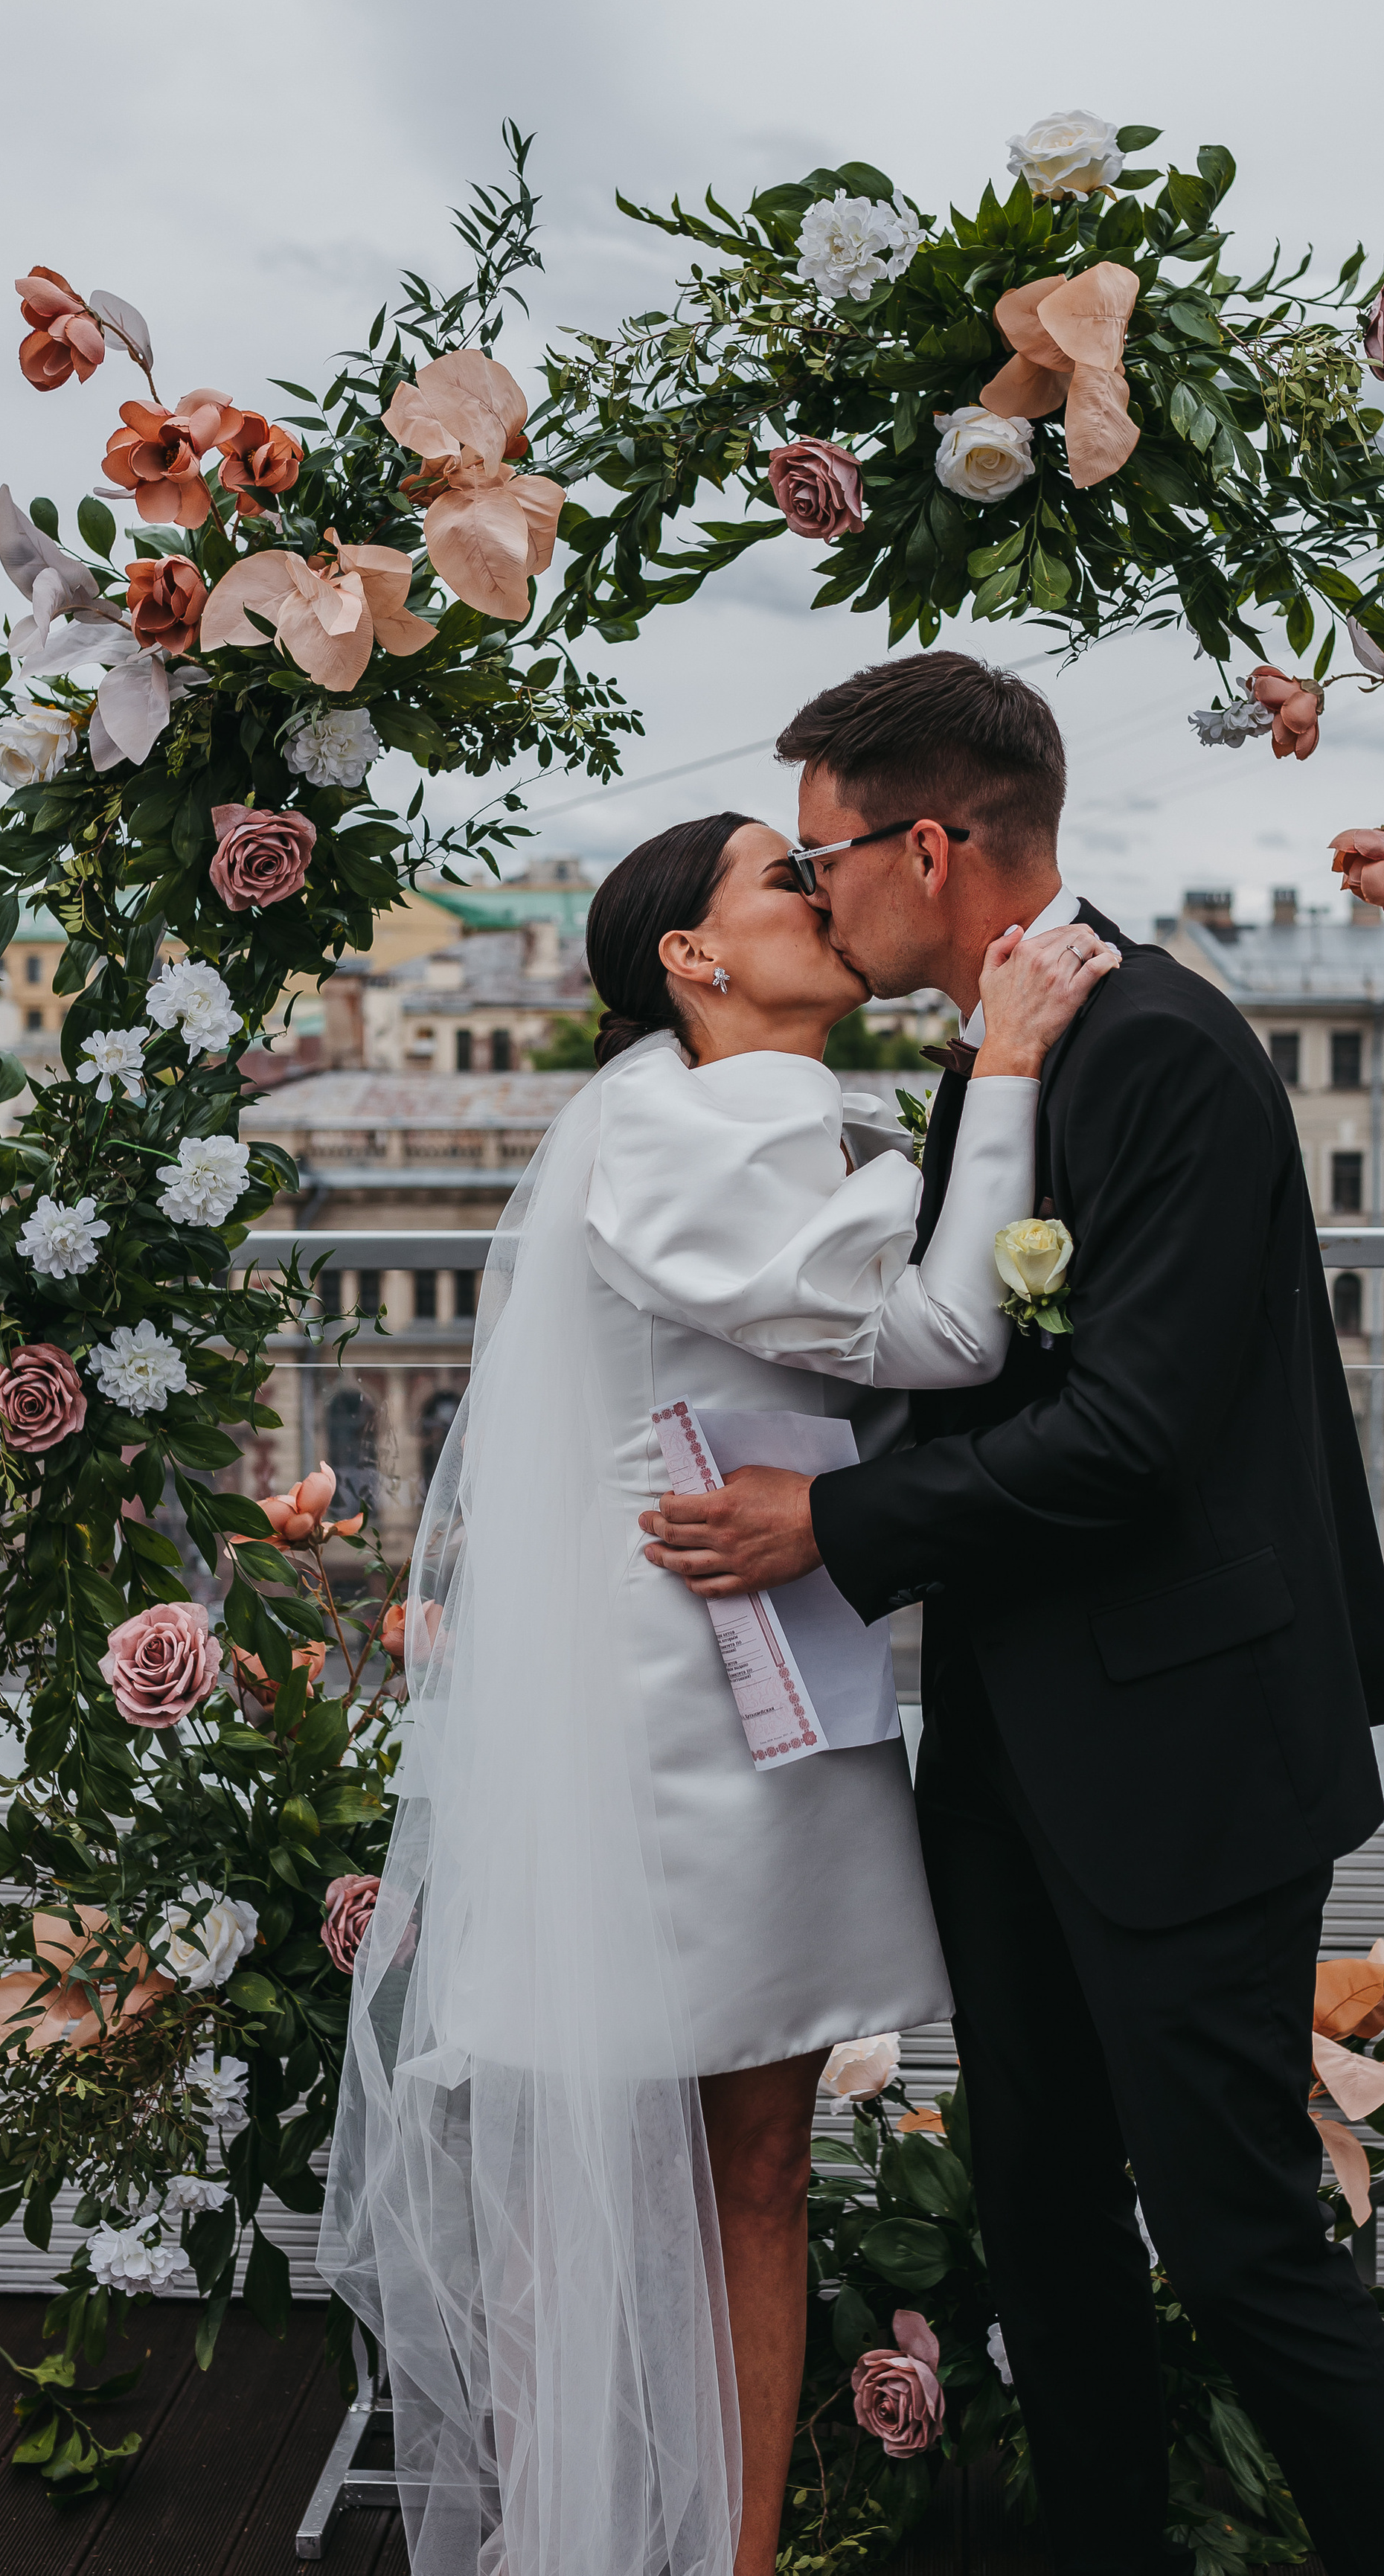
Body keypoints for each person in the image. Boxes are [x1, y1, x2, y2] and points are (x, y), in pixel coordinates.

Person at [641, 654, 1384, 2576]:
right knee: (1045, 2222)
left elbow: (1129, 1440)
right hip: (1016, 1755)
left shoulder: (1162, 1044)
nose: (820, 897)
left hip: (1183, 1756)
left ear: (931, 846)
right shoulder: (1006, 1060)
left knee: (1244, 2239)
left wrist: (828, 1527)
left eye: (827, 854)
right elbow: (964, 1358)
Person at [318, 808, 1113, 2576]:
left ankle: (732, 2553)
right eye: (782, 876)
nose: (821, 894)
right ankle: (575, 2542)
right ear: (687, 956)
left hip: (770, 1661)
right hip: (661, 1695)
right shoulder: (671, 1118)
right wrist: (999, 1070)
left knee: (757, 2165)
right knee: (607, 2173)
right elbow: (939, 1341)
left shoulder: (760, 1116)